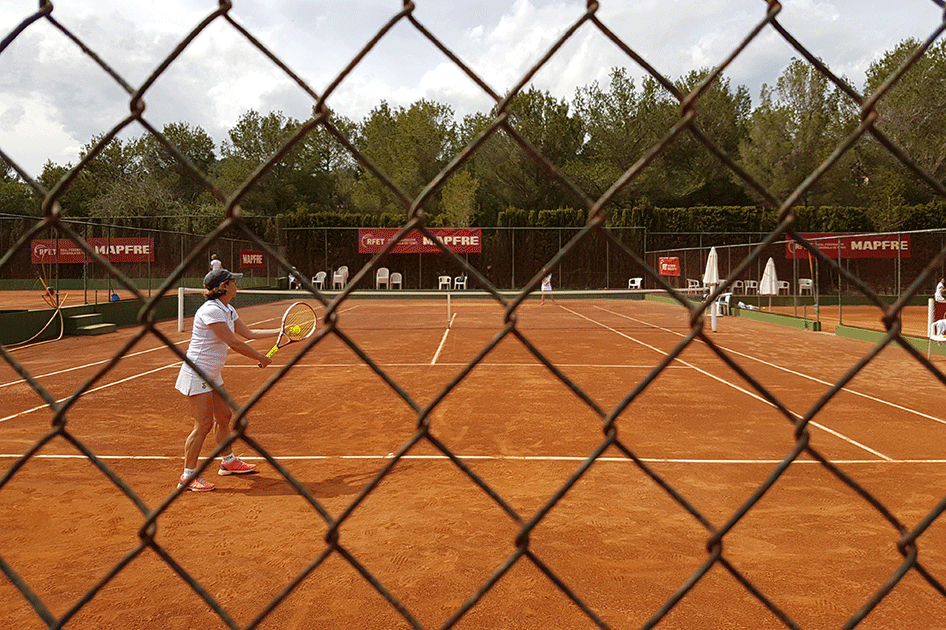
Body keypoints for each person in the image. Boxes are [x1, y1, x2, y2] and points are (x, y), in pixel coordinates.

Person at [174, 268, 279, 492]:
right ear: (223, 287)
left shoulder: (227, 309)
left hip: (212, 373)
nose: (236, 285)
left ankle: (228, 462)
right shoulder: (211, 311)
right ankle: (188, 476)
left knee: (224, 416)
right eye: (233, 282)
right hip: (198, 372)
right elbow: (234, 343)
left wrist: (280, 332)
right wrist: (260, 357)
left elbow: (248, 334)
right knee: (203, 425)